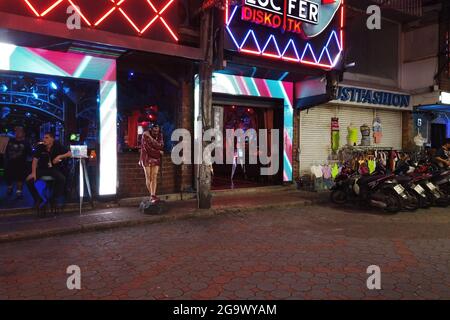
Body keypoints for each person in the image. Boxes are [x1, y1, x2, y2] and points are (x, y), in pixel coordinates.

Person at [26, 132, 72, 208]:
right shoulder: (40, 147)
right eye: (44, 138)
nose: (44, 139)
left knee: (62, 179)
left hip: (53, 169)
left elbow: (69, 153)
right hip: (42, 169)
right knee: (29, 180)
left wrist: (59, 157)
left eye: (46, 138)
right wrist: (33, 173)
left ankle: (53, 198)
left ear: (52, 139)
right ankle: (38, 199)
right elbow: (35, 160)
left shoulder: (57, 145)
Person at [140, 124, 164, 203]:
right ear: (150, 129)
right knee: (149, 177)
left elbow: (160, 146)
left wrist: (151, 140)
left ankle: (153, 195)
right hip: (146, 157)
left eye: (157, 131)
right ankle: (152, 195)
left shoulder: (160, 135)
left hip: (155, 158)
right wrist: (158, 152)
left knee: (154, 175)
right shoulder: (145, 135)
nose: (156, 132)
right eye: (154, 131)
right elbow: (147, 148)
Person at [5, 127, 31, 198]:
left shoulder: (26, 142)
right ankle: (10, 188)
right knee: (8, 177)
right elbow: (5, 150)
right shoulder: (10, 140)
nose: (17, 132)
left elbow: (30, 153)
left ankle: (19, 192)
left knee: (20, 178)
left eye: (19, 131)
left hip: (21, 164)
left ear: (23, 133)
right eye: (16, 131)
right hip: (10, 163)